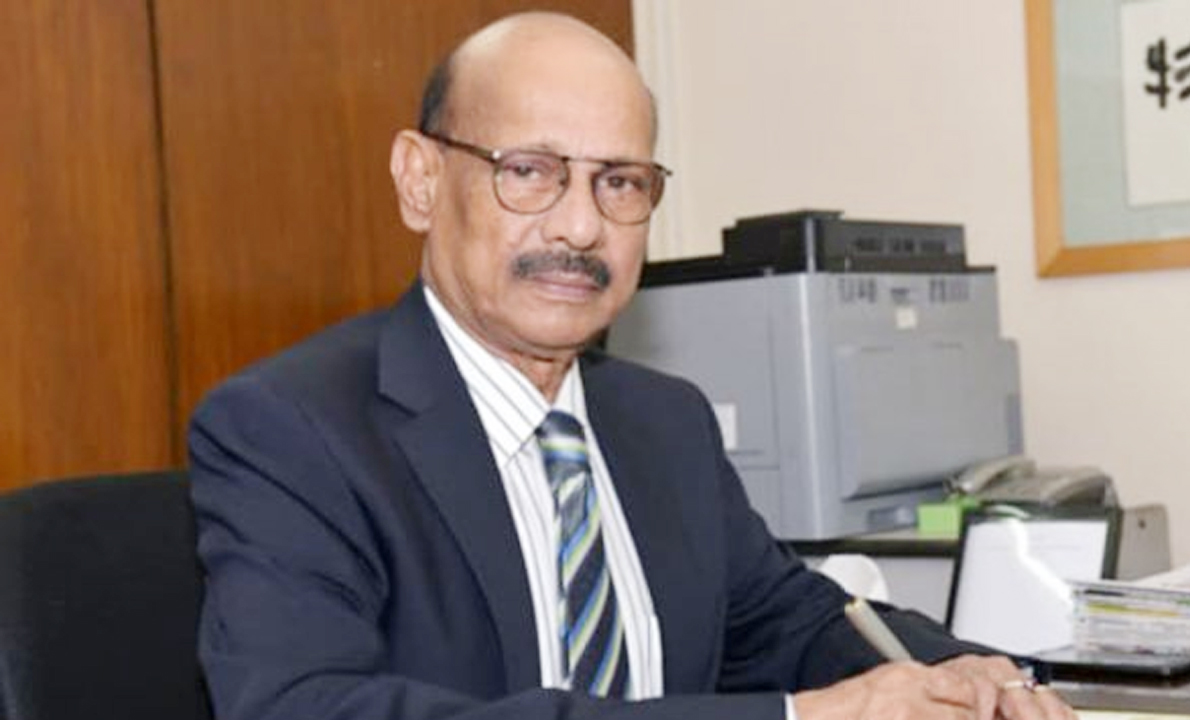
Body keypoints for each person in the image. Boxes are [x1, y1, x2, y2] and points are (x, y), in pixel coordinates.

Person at [188, 11, 1076, 720]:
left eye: (619, 182)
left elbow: (787, 620)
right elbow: (304, 708)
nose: (580, 227)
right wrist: (800, 718)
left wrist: (964, 674)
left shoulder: (664, 420)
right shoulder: (290, 429)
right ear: (420, 180)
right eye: (529, 171)